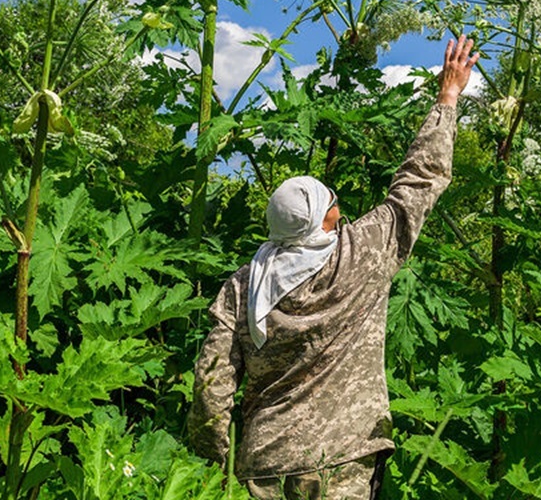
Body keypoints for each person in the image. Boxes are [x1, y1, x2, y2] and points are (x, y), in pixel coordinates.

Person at [187, 36, 479, 500]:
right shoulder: (362, 252)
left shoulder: (243, 287)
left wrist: (216, 461)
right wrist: (448, 97)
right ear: (328, 216)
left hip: (264, 468)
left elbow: (211, 382)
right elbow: (418, 180)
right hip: (344, 461)